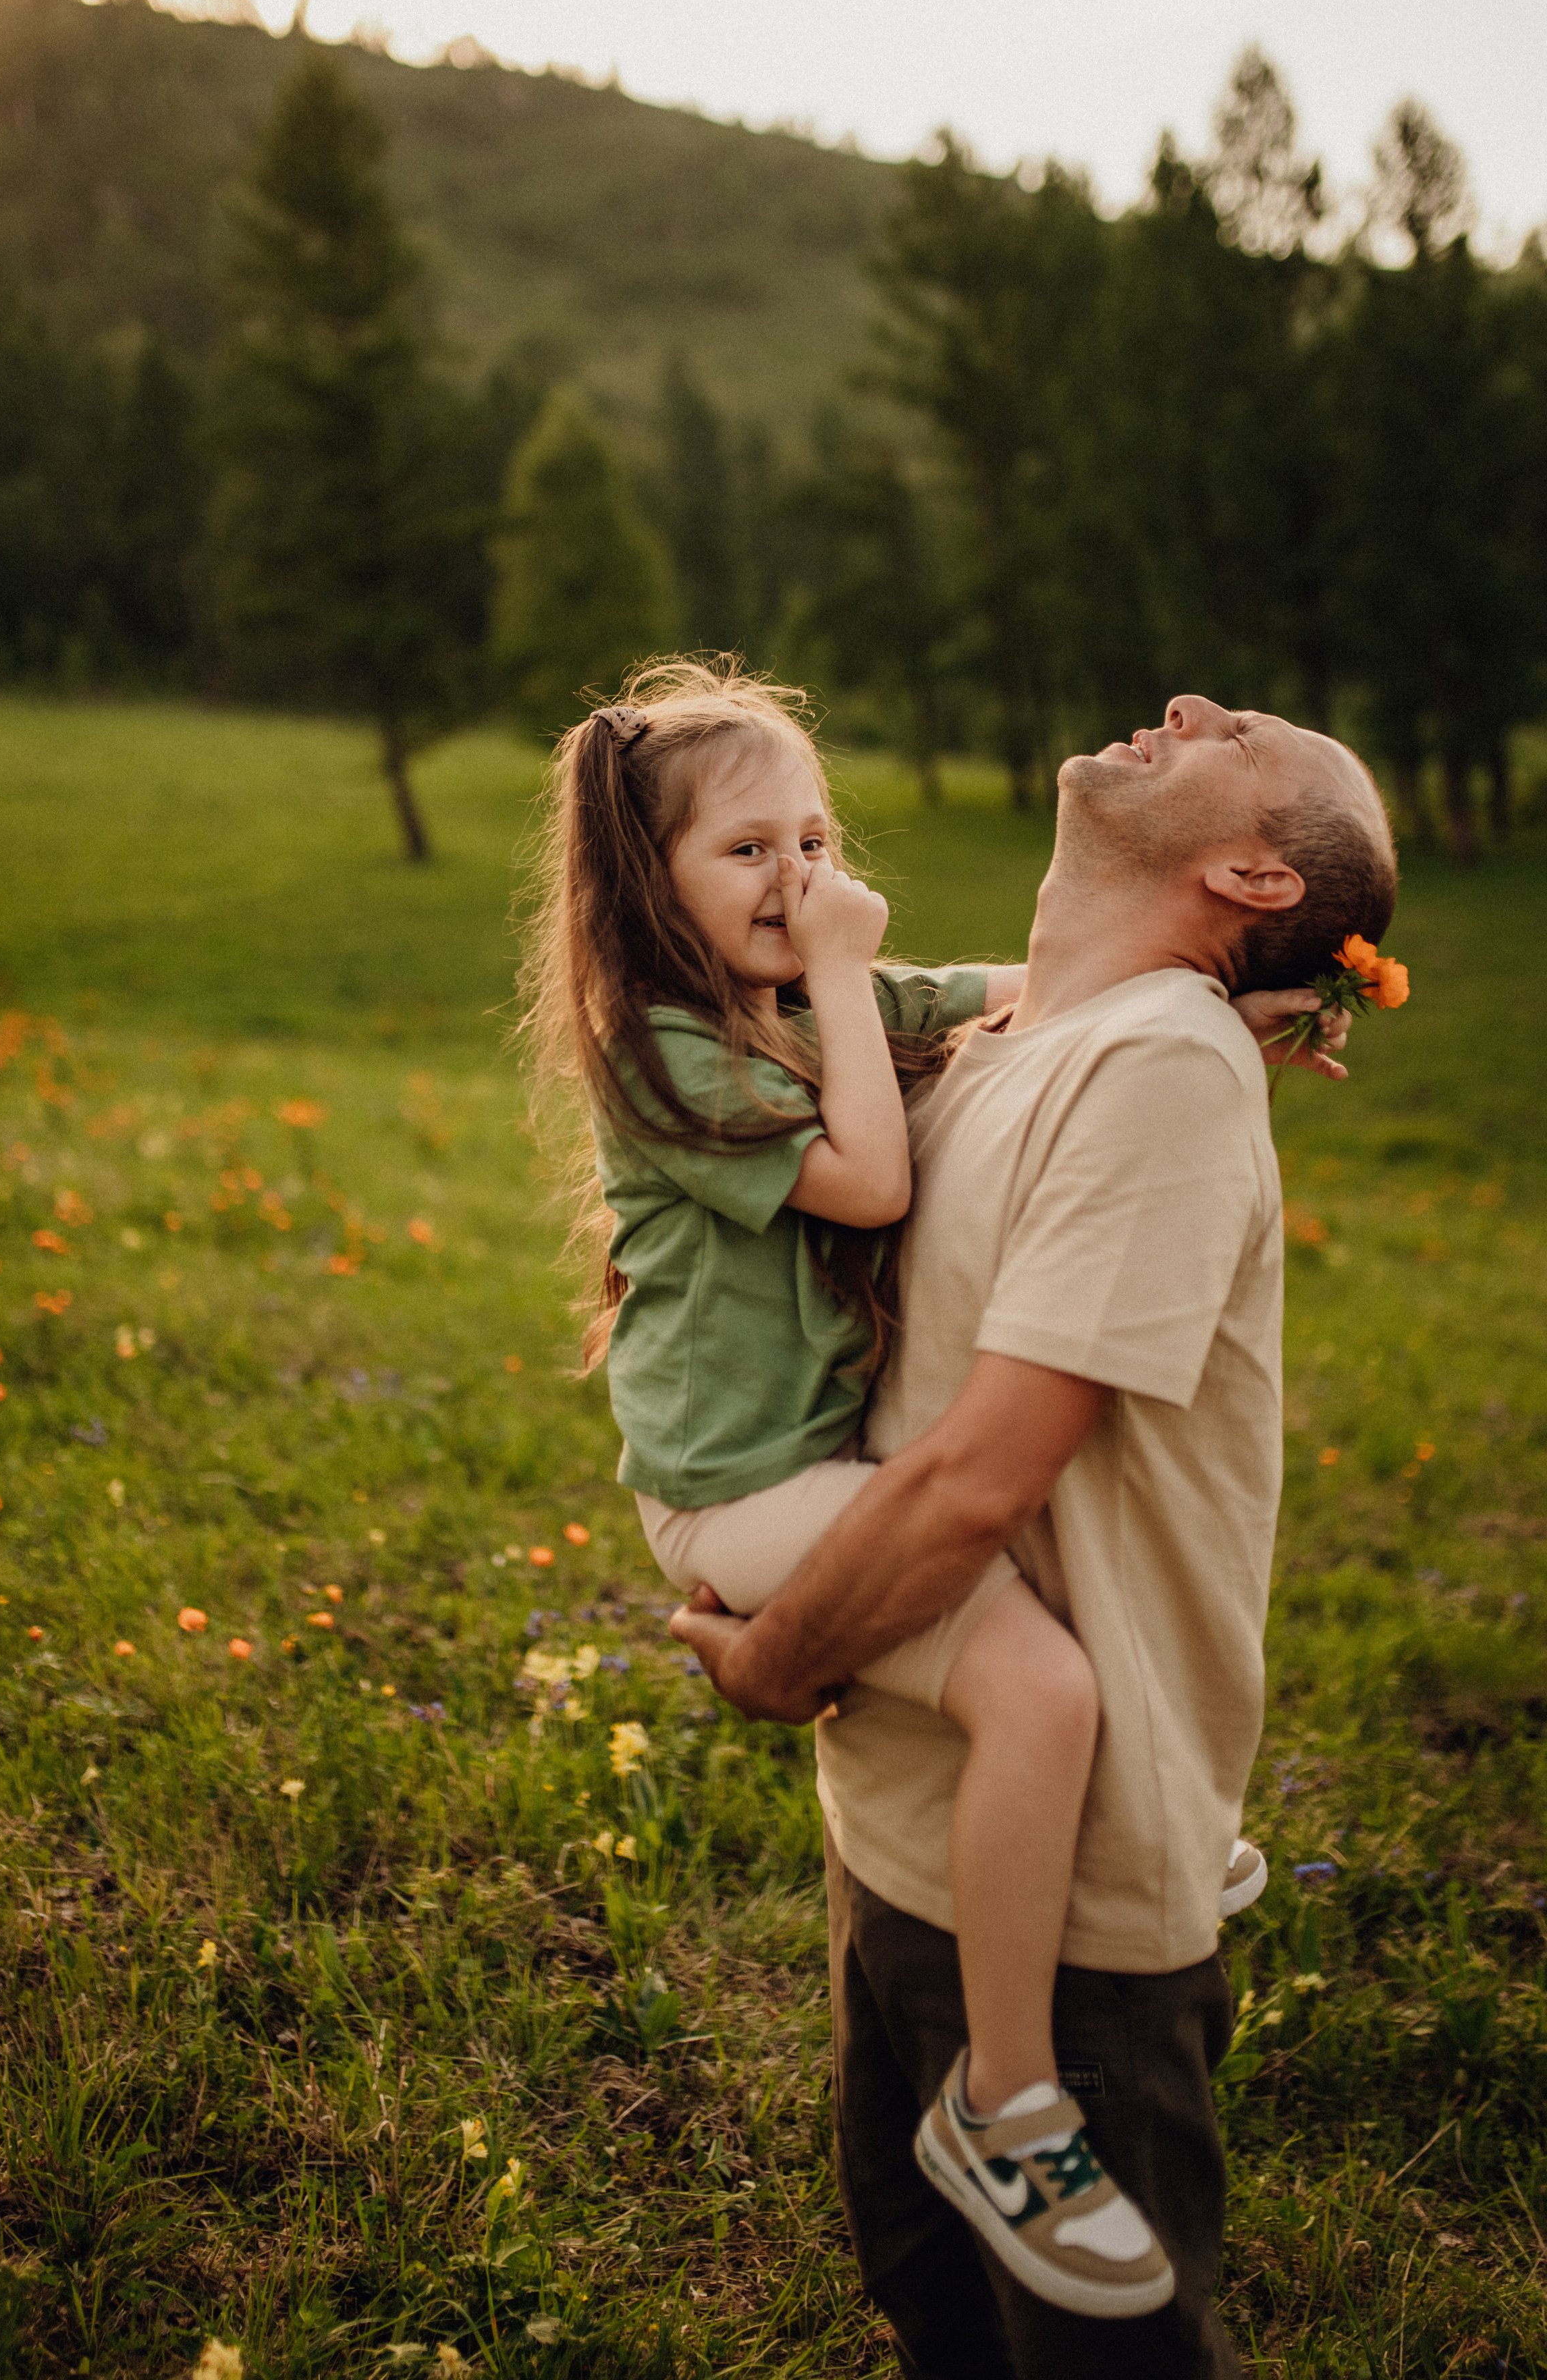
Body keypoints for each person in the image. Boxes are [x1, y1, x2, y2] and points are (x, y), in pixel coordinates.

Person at [520, 660, 1349, 2324]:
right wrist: (846, 975)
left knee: (1037, 1690)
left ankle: (1052, 2019)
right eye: (748, 851)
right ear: (648, 891)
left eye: (813, 841)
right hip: (735, 1488)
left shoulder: (1096, 1058)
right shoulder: (669, 1052)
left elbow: (997, 998)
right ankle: (1003, 2101)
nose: (803, 884)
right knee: (1038, 1686)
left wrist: (1218, 992)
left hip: (813, 1475)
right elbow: (878, 1165)